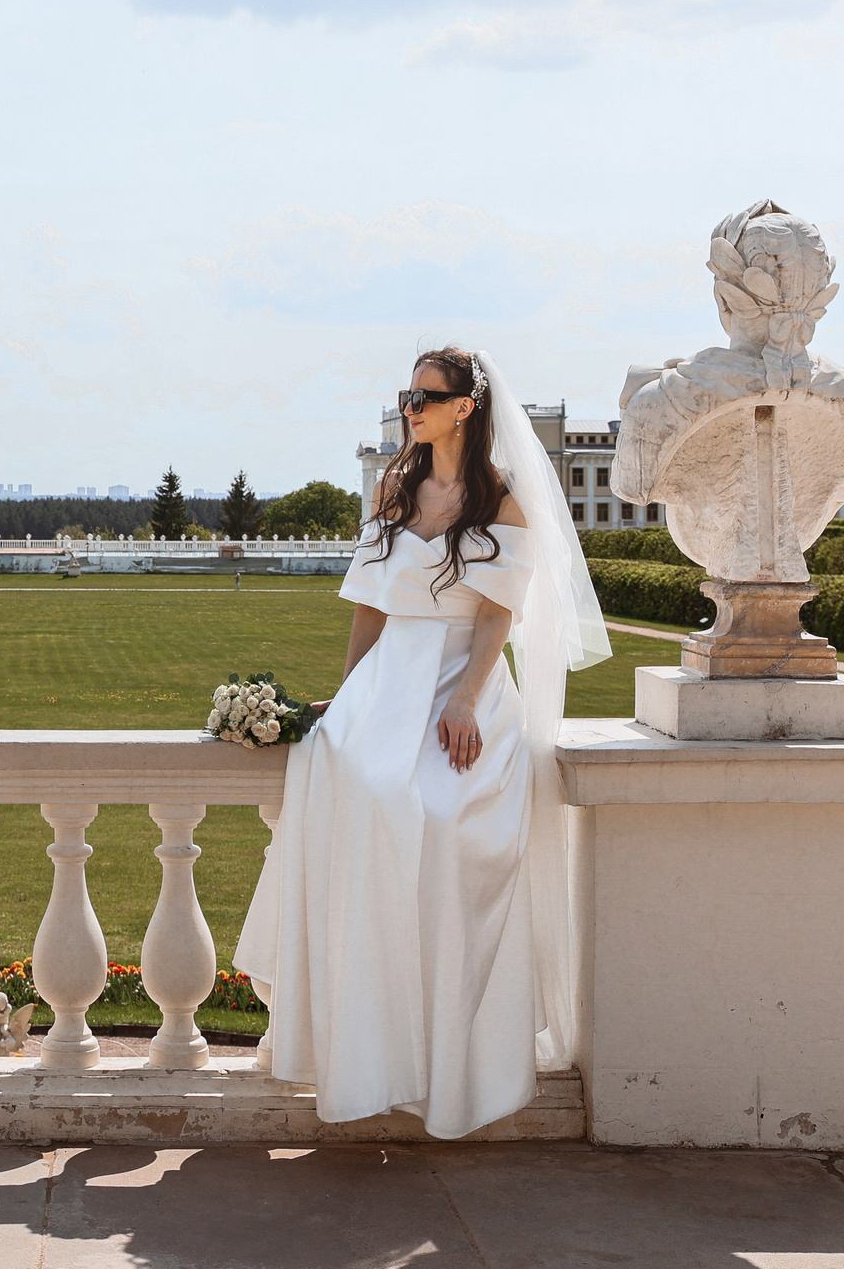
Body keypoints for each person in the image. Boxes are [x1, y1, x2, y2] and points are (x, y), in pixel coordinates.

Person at [234, 345, 609, 1133]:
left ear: (465, 406)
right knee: (352, 799)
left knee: (442, 825)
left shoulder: (501, 500)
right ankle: (362, 1040)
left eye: (426, 395)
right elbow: (369, 604)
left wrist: (468, 700)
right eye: (407, 394)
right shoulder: (394, 486)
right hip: (388, 680)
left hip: (458, 684)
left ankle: (446, 1054)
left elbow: (498, 614)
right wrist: (352, 690)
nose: (411, 406)